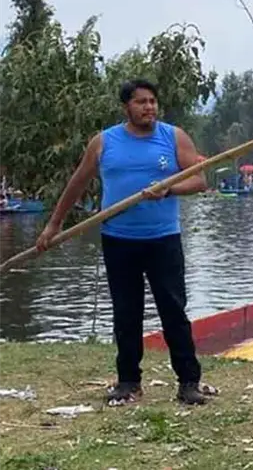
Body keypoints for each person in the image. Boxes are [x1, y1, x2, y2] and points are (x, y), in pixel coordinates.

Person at [35, 79, 210, 406]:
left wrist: (169, 189)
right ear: (126, 107)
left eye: (153, 101)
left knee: (173, 310)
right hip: (118, 240)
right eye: (141, 102)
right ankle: (128, 382)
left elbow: (200, 179)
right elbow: (77, 183)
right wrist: (53, 224)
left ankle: (189, 382)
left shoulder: (173, 137)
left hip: (163, 240)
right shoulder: (104, 142)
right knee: (126, 313)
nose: (149, 108)